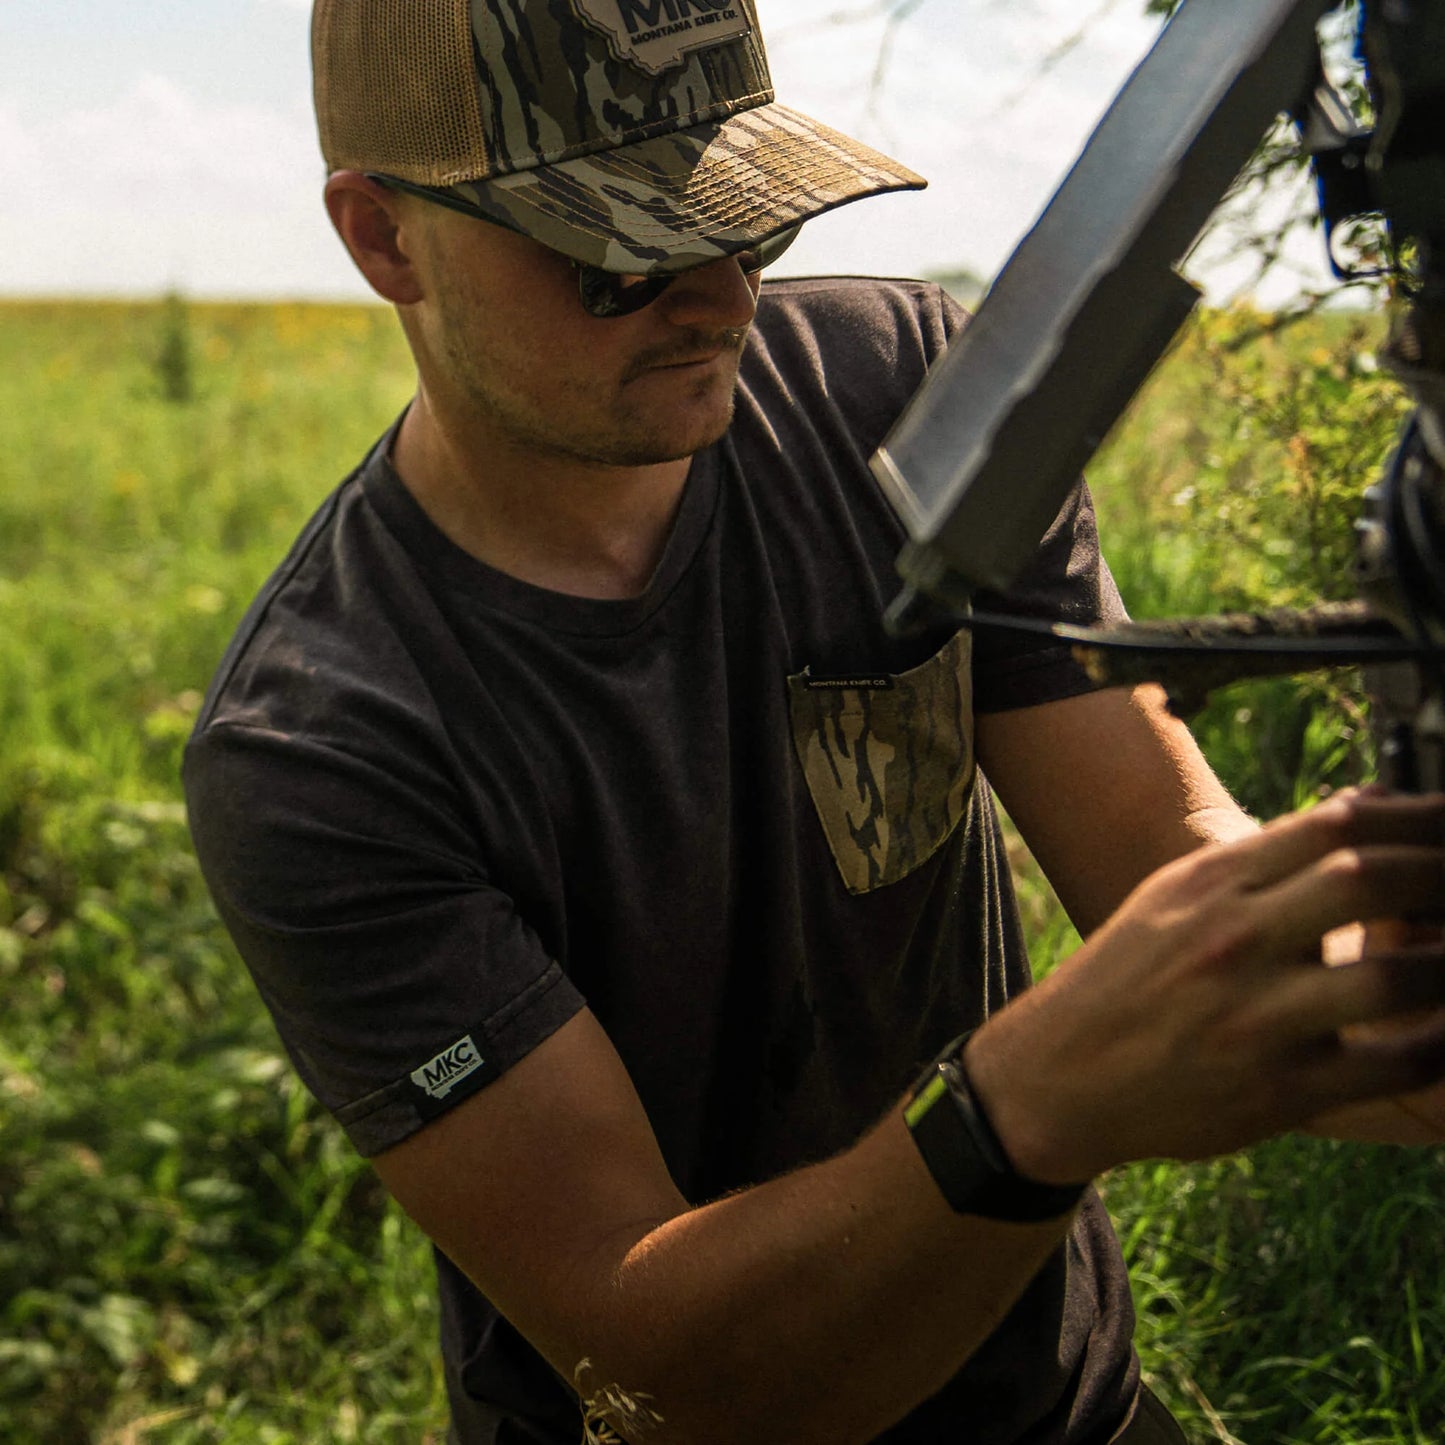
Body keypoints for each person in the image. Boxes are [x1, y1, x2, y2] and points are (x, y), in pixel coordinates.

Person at [183, 2, 1445, 1441]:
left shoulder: (896, 394)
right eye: (621, 254)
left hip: (1064, 1408)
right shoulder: (322, 747)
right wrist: (1026, 1105)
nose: (721, 301)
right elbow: (662, 1375)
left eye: (751, 224)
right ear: (383, 237)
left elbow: (1177, 860)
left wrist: (1385, 979)